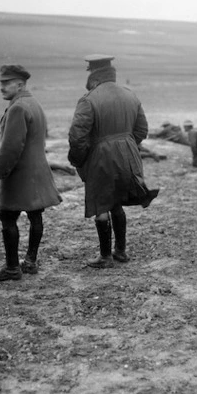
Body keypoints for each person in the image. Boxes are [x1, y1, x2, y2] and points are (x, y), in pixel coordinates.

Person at [68, 54, 159, 268]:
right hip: (128, 156)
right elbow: (142, 129)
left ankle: (105, 256)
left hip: (101, 159)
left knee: (101, 204)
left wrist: (79, 160)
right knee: (116, 201)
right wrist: (127, 144)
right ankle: (121, 251)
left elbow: (77, 137)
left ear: (94, 75)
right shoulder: (130, 95)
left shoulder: (89, 99)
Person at [0, 65, 62, 280]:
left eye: (6, 83)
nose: (1, 87)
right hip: (38, 170)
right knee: (35, 214)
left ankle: (12, 269)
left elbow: (11, 149)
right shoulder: (34, 103)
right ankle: (30, 262)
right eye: (0, 83)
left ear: (20, 84)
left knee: (7, 216)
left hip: (20, 174)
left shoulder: (18, 107)